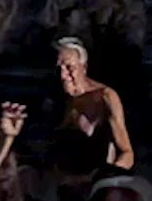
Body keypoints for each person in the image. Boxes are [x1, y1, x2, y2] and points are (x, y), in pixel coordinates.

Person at [56, 37, 132, 170]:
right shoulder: (58, 99)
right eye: (59, 68)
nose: (63, 75)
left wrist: (105, 178)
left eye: (69, 68)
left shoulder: (105, 97)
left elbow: (127, 153)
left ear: (83, 67)